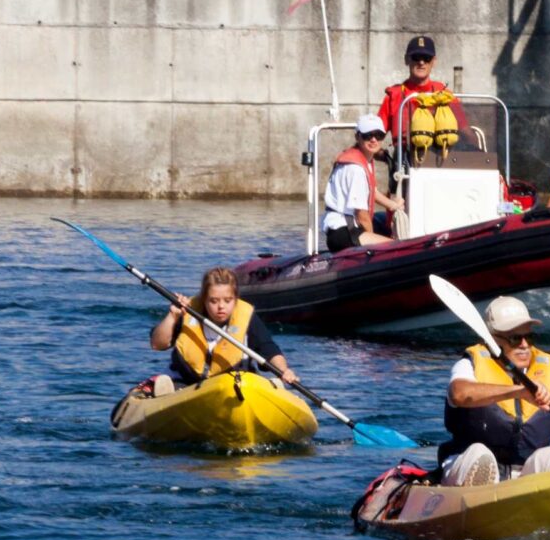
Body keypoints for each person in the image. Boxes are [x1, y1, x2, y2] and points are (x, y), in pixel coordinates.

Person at [437, 296, 550, 486]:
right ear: (493, 340)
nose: (524, 345)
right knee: (480, 455)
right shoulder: (469, 365)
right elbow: (459, 394)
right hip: (466, 466)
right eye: (515, 338)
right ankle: (480, 494)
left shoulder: (549, 377)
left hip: (522, 476)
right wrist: (518, 391)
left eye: (528, 337)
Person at [146, 267, 299, 395]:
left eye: (227, 300)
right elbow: (157, 344)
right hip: (186, 384)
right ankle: (165, 392)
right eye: (214, 301)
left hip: (234, 385)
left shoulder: (247, 318)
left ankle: (271, 390)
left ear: (236, 299)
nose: (221, 307)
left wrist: (284, 370)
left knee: (254, 383)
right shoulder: (188, 311)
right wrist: (173, 316)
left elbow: (269, 350)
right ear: (204, 299)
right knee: (169, 386)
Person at [322, 112, 404, 250]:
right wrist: (372, 240)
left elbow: (372, 191)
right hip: (343, 231)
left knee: (382, 220)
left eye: (379, 135)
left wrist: (393, 205)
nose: (373, 140)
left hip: (349, 225)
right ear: (357, 137)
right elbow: (361, 214)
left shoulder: (364, 159)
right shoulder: (356, 170)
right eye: (367, 135)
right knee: (398, 248)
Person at [376, 35, 451, 142]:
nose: (421, 62)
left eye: (426, 58)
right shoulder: (394, 96)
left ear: (434, 61)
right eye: (416, 57)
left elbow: (465, 131)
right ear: (406, 60)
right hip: (403, 152)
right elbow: (374, 136)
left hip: (441, 152)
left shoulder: (444, 94)